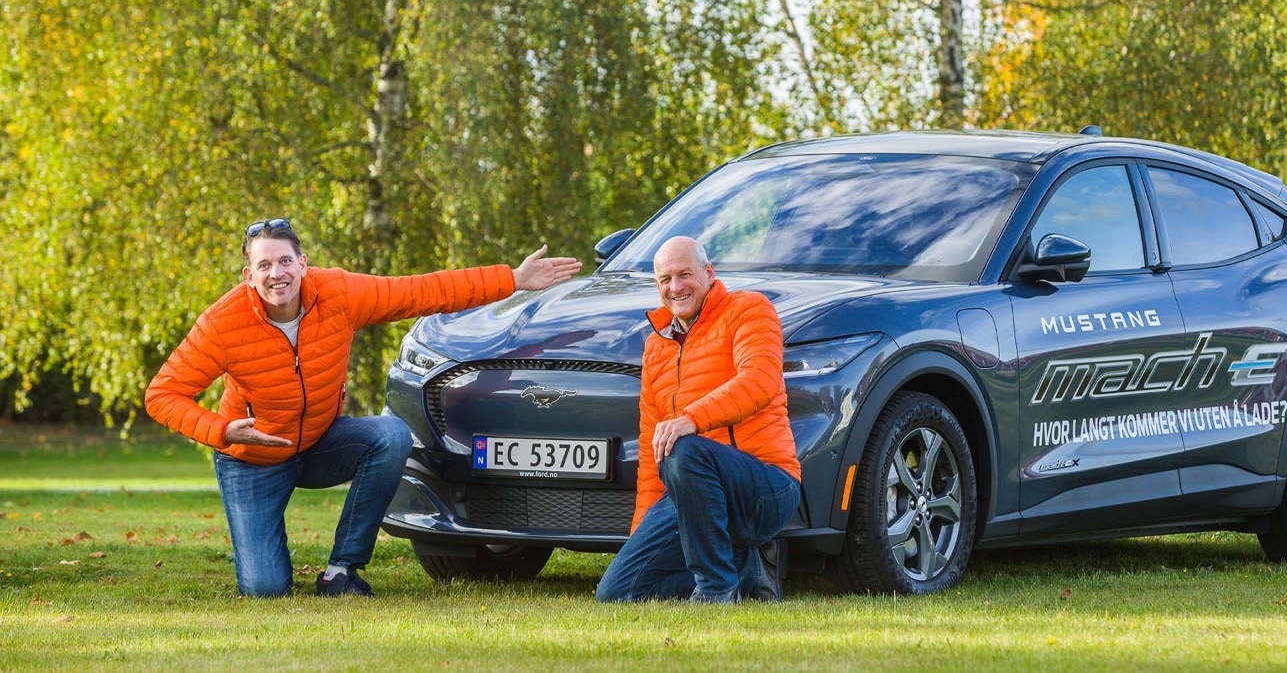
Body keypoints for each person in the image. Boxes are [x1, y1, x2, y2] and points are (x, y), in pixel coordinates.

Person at [145, 218, 581, 598]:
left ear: (302, 263)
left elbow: (421, 291)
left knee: (389, 435)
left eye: (284, 262)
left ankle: (341, 570)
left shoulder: (337, 293)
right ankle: (268, 554)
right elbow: (162, 394)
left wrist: (512, 279)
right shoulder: (224, 323)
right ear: (248, 274)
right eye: (264, 265)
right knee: (265, 589)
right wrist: (222, 431)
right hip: (252, 458)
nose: (276, 274)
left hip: (319, 443)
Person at [595, 236, 801, 603]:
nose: (676, 287)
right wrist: (642, 540)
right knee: (617, 592)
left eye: (685, 274)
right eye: (665, 279)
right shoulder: (656, 347)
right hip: (691, 492)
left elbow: (760, 381)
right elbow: (650, 450)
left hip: (764, 485)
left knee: (684, 448)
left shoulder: (749, 309)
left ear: (708, 273)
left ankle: (716, 589)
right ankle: (744, 574)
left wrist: (691, 419)